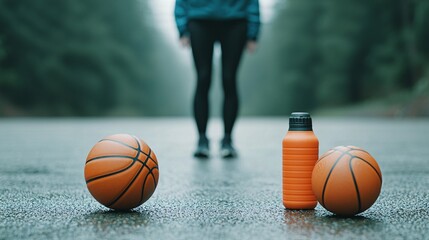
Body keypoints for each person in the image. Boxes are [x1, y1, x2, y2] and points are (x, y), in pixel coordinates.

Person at [175, 0, 260, 158]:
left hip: (236, 20)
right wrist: (182, 28)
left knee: (229, 79)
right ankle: (202, 140)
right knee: (203, 78)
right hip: (199, 19)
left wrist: (253, 32)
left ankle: (227, 140)